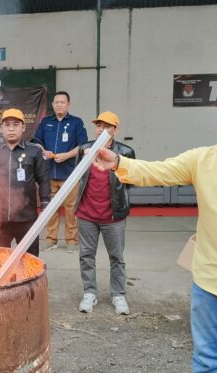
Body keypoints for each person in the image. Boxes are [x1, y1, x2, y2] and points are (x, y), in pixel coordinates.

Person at [93, 83, 217, 372]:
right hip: (212, 281)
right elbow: (157, 171)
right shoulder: (203, 159)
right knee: (207, 362)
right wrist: (118, 163)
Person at [74, 111, 135, 315]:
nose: (101, 129)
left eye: (106, 126)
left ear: (115, 130)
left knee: (117, 256)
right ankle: (89, 293)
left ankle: (118, 295)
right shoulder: (85, 149)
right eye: (98, 125)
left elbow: (131, 181)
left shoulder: (125, 152)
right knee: (86, 255)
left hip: (113, 216)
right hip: (86, 214)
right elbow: (79, 176)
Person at [0, 108, 50, 257]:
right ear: (1, 128)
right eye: (7, 125)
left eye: (16, 124)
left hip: (27, 219)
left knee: (29, 260)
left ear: (23, 128)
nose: (11, 128)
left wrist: (45, 205)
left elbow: (43, 179)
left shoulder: (34, 151)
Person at [34, 91, 88, 251]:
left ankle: (72, 240)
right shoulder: (45, 122)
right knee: (50, 209)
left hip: (70, 174)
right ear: (52, 104)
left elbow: (83, 146)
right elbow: (37, 142)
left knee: (71, 209)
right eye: (56, 102)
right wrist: (44, 151)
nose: (59, 104)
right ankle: (51, 239)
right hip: (48, 173)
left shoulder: (76, 122)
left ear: (68, 104)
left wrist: (67, 156)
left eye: (62, 102)